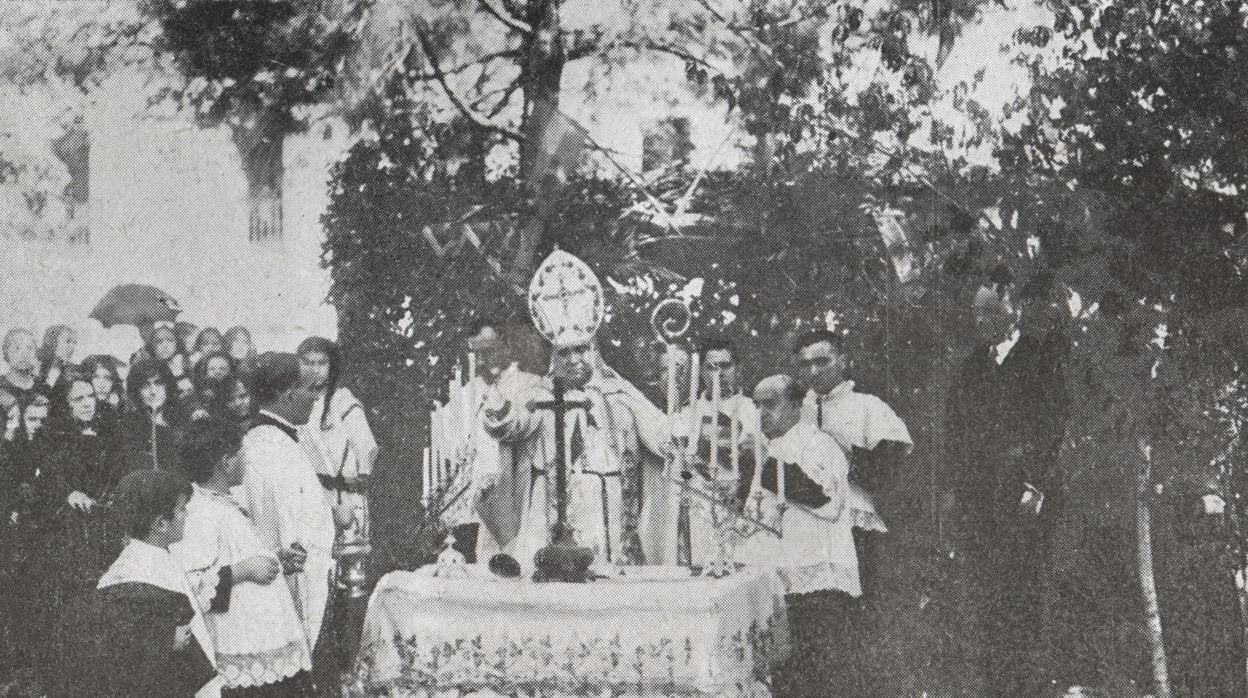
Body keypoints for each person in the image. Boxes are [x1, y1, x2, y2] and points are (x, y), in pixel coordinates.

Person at [945, 281, 1068, 697]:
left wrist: (1036, 484)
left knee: (1026, 593)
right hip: (980, 503)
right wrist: (956, 492)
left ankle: (1032, 686)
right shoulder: (969, 368)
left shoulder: (1040, 357)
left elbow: (1053, 423)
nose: (982, 321)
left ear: (1013, 312)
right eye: (977, 313)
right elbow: (955, 434)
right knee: (986, 599)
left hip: (1025, 497)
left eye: (992, 312)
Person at [484, 339, 672, 571]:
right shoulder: (540, 394)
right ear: (553, 357)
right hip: (549, 500)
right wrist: (498, 405)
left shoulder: (618, 393)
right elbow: (512, 424)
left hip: (603, 502)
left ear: (595, 351)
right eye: (564, 352)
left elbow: (663, 436)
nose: (573, 360)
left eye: (581, 350)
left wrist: (682, 433)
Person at [733, 374, 861, 697]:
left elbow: (827, 501)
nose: (762, 413)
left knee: (816, 680)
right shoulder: (769, 448)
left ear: (796, 406)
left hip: (815, 585)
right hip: (775, 584)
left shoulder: (819, 444)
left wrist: (766, 462)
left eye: (770, 404)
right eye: (757, 405)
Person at [173, 417, 313, 696]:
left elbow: (232, 553)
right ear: (226, 463)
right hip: (240, 644)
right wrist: (242, 571)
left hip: (264, 638)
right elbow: (190, 585)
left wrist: (275, 560)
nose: (246, 460)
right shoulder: (199, 512)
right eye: (241, 454)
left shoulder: (224, 503)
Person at [52, 469, 217, 697]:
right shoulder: (138, 573)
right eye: (181, 509)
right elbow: (122, 641)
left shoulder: (152, 556)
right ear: (161, 524)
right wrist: (165, 638)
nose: (186, 514)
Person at [240, 353, 337, 692]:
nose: (315, 398)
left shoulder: (281, 440)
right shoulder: (265, 446)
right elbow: (280, 526)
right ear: (286, 393)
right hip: (289, 583)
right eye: (310, 389)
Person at [445, 319, 542, 562]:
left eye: (487, 352)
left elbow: (521, 426)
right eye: (475, 354)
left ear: (506, 345)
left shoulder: (530, 384)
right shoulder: (468, 391)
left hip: (516, 495)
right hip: (476, 506)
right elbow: (450, 443)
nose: (480, 362)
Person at [674, 336, 761, 568]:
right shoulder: (687, 414)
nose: (719, 373)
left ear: (737, 368)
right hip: (700, 510)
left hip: (740, 510)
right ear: (702, 372)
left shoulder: (753, 410)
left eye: (726, 366)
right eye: (711, 367)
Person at [297, 337, 377, 542]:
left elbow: (365, 442)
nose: (315, 370)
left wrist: (360, 473)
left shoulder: (342, 400)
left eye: (321, 363)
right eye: (308, 363)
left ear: (331, 366)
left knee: (347, 550)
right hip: (307, 492)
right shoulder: (296, 401)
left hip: (343, 492)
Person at [120, 358, 184, 473]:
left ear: (168, 386)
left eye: (158, 383)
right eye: (145, 386)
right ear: (137, 391)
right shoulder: (129, 424)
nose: (153, 391)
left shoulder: (181, 418)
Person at [187, 352, 235, 422]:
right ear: (206, 372)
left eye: (223, 369)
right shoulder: (199, 392)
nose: (217, 372)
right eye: (212, 369)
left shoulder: (235, 389)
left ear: (230, 371)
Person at [0, 328, 41, 408]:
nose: (24, 354)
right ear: (6, 352)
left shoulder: (42, 387)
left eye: (29, 348)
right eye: (17, 348)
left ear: (36, 353)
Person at [36, 325, 78, 391]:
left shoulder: (69, 368)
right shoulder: (36, 364)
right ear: (52, 342)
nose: (72, 347)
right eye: (68, 341)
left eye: (74, 343)